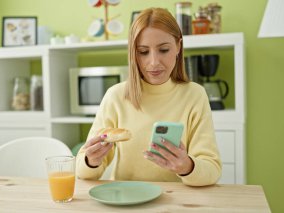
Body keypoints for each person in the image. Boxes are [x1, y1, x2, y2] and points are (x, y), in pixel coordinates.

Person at [76, 7, 221, 186]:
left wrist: (187, 166)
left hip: (175, 201)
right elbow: (83, 172)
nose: (153, 62)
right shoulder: (115, 96)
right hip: (125, 198)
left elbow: (212, 169)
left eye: (164, 50)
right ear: (134, 54)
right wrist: (91, 160)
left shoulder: (194, 95)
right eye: (143, 52)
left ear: (178, 46)